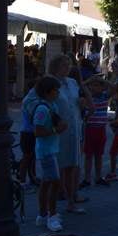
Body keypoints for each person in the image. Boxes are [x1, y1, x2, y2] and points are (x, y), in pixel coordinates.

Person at [49, 55, 89, 213]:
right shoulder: (51, 83)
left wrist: (82, 103)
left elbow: (79, 100)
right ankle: (57, 201)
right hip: (60, 131)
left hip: (75, 128)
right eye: (64, 65)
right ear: (56, 67)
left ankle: (71, 201)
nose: (67, 68)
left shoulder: (72, 83)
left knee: (73, 165)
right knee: (62, 166)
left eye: (69, 65)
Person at [33, 76, 67, 232]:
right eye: (55, 90)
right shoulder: (42, 109)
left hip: (52, 149)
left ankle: (42, 215)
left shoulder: (52, 106)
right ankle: (51, 216)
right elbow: (37, 131)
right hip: (46, 151)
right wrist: (55, 130)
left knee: (46, 183)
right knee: (55, 182)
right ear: (48, 92)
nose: (58, 93)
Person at [82, 75, 112, 187]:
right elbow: (82, 85)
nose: (95, 87)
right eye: (93, 85)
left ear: (102, 87)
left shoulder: (104, 96)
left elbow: (113, 87)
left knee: (99, 155)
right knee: (88, 155)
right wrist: (89, 80)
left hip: (101, 129)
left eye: (98, 85)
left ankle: (98, 177)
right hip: (90, 128)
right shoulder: (88, 98)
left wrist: (102, 80)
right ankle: (87, 178)